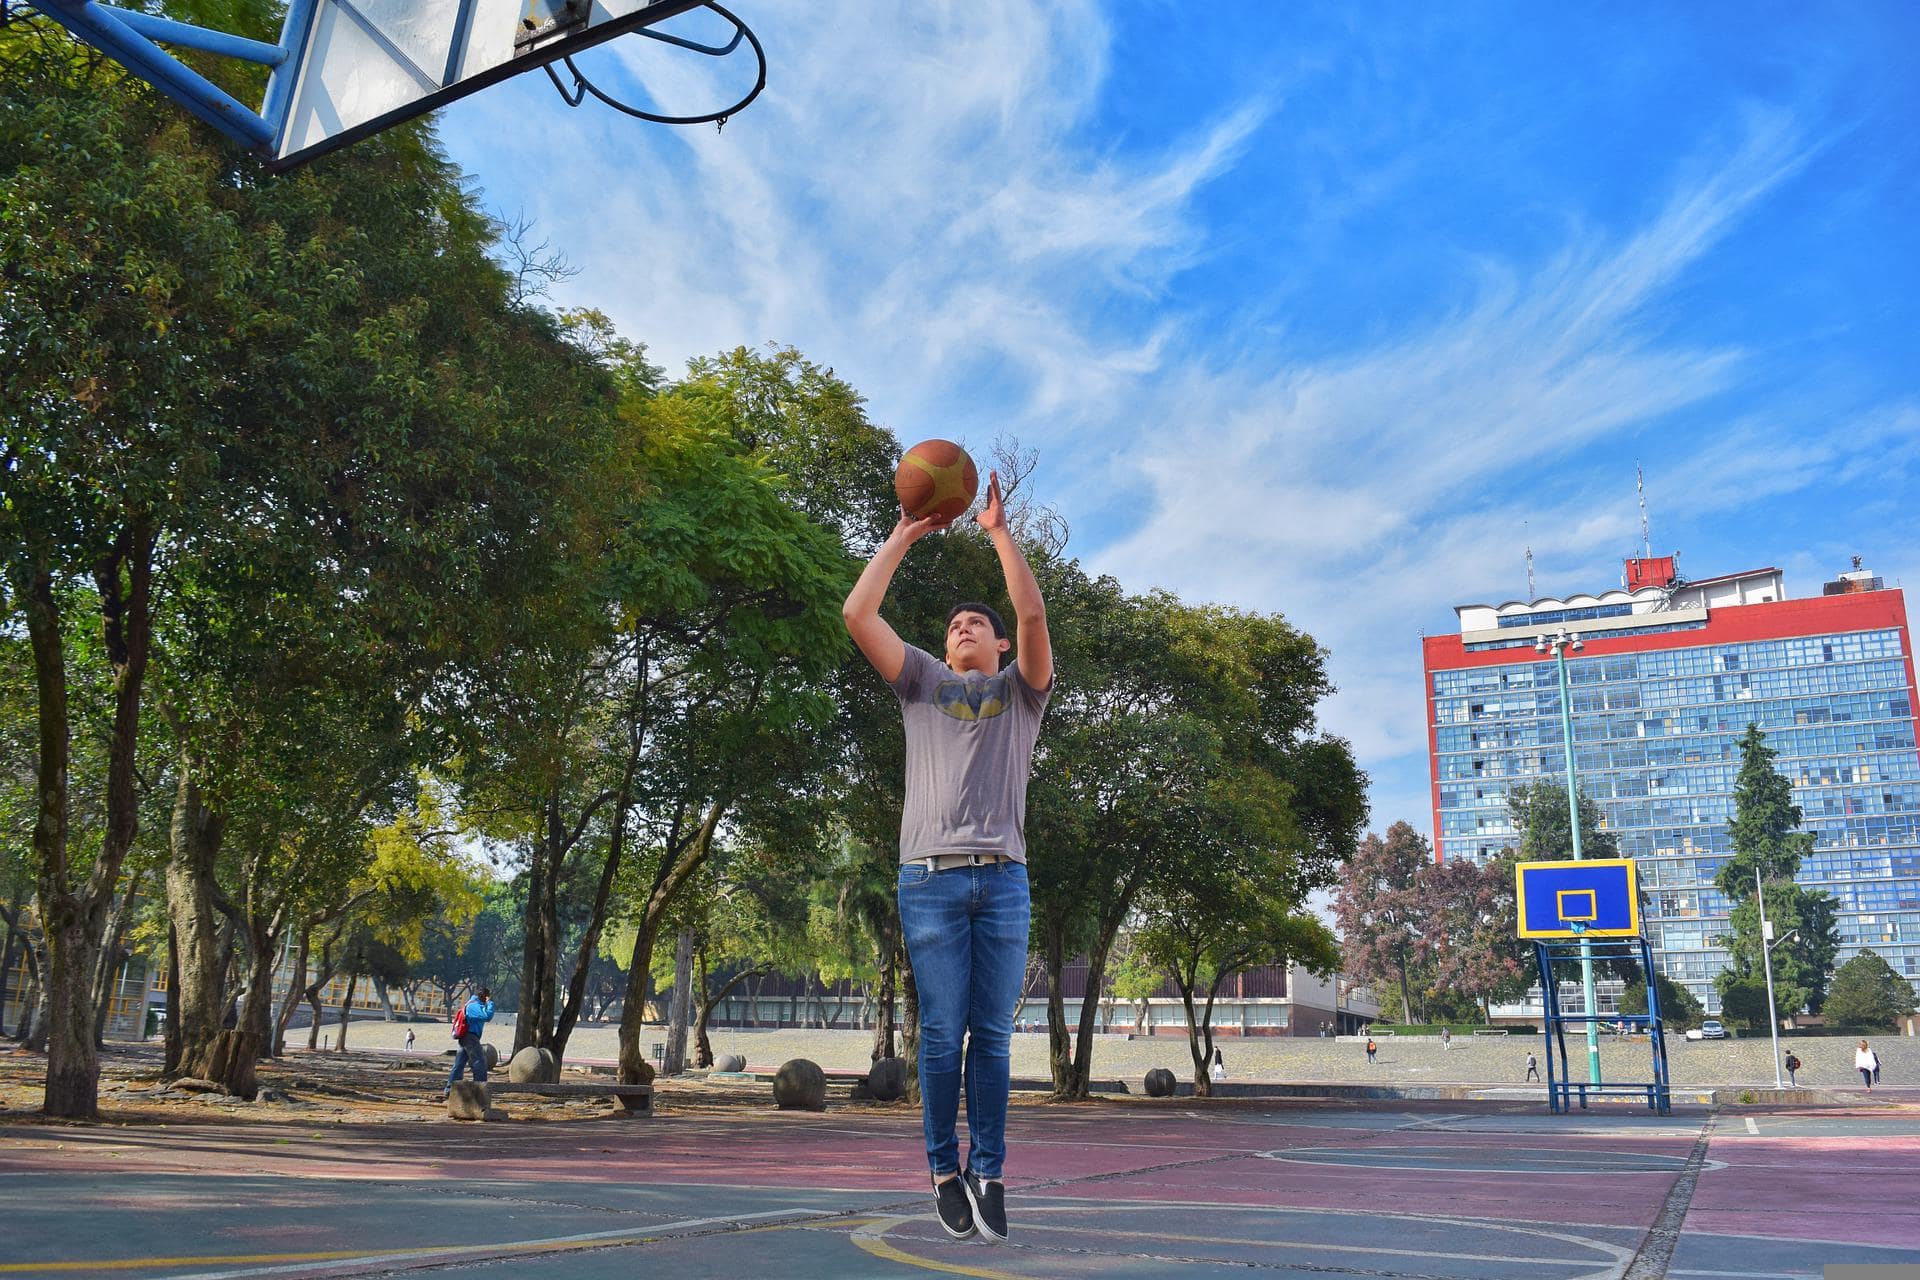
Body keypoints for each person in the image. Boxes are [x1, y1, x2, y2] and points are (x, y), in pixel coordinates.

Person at [844, 471, 1052, 1247]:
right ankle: (942, 1170)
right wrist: (906, 532)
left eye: (978, 623)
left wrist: (998, 532)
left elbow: (1030, 610)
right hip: (929, 880)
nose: (965, 626)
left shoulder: (1022, 691)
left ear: (998, 645)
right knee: (941, 1036)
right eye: (955, 621)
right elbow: (858, 613)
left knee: (992, 1036)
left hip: (1003, 882)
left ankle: (990, 1169)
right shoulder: (920, 682)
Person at [444, 987, 495, 1096]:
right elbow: (487, 1016)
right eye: (487, 997)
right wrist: (490, 1002)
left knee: (459, 1064)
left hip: (467, 1037)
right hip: (470, 1037)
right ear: (483, 996)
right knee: (479, 1061)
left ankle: (450, 1089)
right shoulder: (474, 1006)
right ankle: (480, 1089)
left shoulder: (472, 1004)